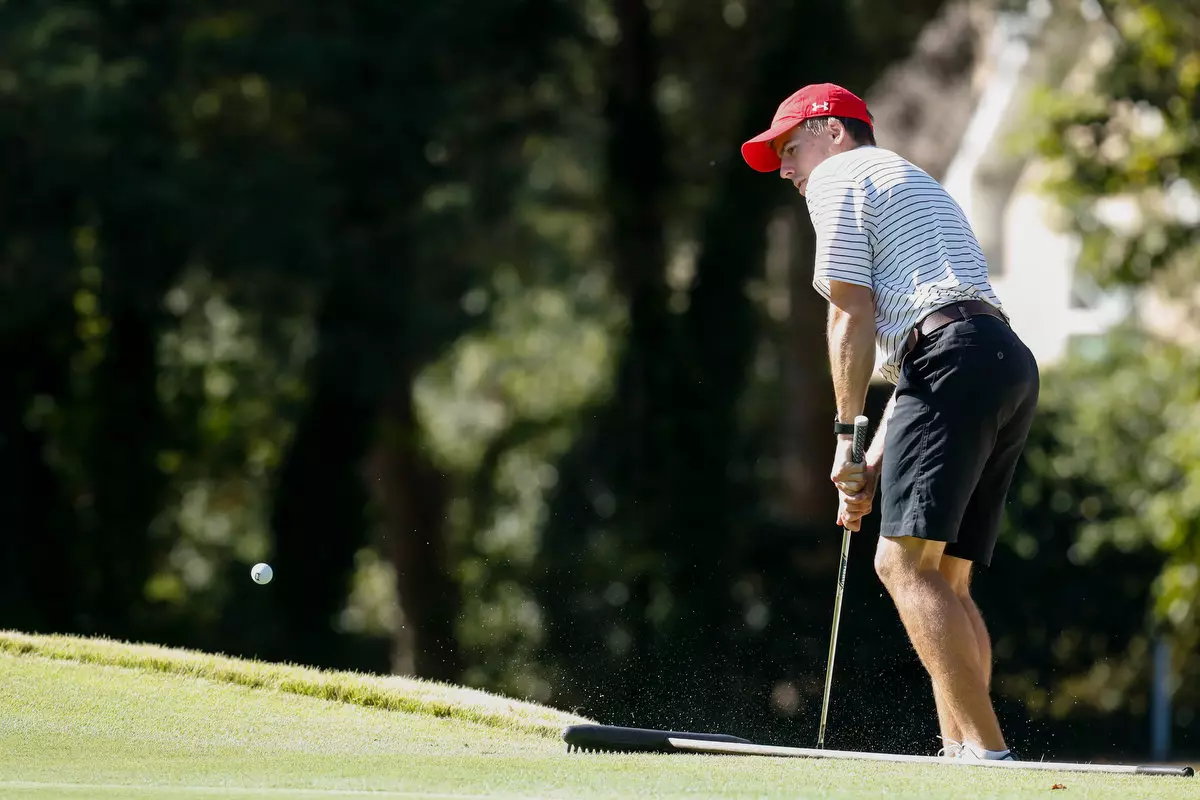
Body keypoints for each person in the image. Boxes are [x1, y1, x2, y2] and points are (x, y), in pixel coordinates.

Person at [740, 83, 1040, 761]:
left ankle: (989, 757)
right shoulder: (912, 180)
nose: (786, 170)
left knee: (900, 564)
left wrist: (845, 436)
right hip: (1001, 360)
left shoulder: (838, 175)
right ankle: (960, 752)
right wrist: (871, 464)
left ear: (833, 131)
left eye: (790, 148)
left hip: (951, 358)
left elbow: (850, 309)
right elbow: (921, 357)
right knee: (946, 577)